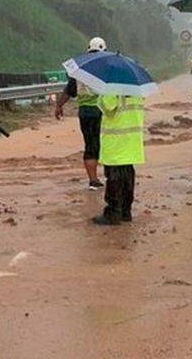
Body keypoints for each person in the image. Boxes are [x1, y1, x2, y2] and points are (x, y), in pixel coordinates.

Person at [55, 37, 107, 190]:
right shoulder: (106, 67)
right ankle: (110, 174)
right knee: (105, 143)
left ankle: (93, 180)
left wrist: (59, 106)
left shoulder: (79, 69)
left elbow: (69, 90)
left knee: (90, 144)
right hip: (103, 111)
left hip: (84, 112)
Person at [92, 92, 145, 225]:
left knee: (114, 178)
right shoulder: (136, 92)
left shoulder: (113, 90)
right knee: (128, 176)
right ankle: (126, 212)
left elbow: (106, 107)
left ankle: (113, 213)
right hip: (132, 142)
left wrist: (102, 93)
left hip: (116, 143)